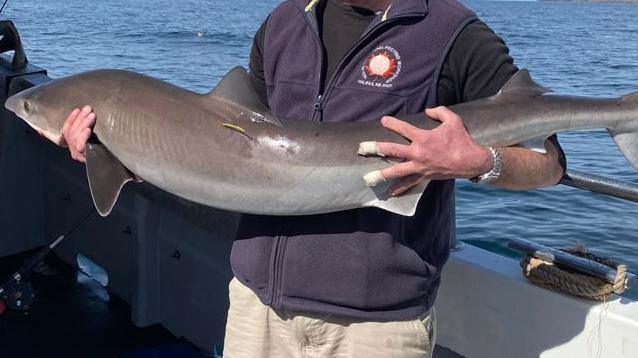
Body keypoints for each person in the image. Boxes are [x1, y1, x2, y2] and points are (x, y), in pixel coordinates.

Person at [61, 0, 566, 356]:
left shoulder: (452, 32)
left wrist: (477, 162)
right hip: (260, 311)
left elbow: (549, 163)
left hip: (375, 327)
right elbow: (227, 151)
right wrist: (119, 150)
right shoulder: (283, 22)